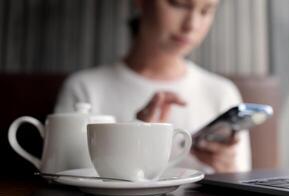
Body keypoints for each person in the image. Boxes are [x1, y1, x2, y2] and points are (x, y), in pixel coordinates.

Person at [55, 0, 251, 173]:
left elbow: (243, 178)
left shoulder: (222, 92)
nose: (192, 25)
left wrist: (227, 168)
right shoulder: (84, 89)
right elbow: (64, 178)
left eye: (206, 10)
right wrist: (136, 134)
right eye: (179, 4)